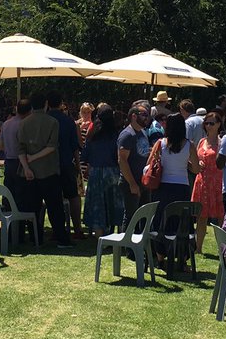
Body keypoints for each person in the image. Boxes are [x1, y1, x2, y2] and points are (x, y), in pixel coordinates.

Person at [19, 91, 71, 247]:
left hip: (29, 172)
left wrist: (27, 167)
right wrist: (35, 157)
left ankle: (36, 238)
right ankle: (61, 239)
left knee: (33, 208)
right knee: (55, 208)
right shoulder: (52, 122)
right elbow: (52, 147)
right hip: (49, 171)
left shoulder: (24, 123)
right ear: (46, 104)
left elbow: (20, 150)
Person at [150, 113, 201, 240]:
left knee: (161, 220)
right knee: (181, 221)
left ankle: (160, 253)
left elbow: (149, 163)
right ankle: (182, 252)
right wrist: (185, 164)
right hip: (181, 187)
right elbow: (196, 169)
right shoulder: (190, 145)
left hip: (163, 186)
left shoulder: (160, 143)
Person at [47, 89, 84, 239]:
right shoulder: (69, 121)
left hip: (49, 164)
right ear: (61, 103)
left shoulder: (46, 119)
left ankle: (57, 229)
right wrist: (77, 165)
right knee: (73, 196)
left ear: (48, 104)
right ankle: (77, 228)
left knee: (53, 198)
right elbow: (75, 145)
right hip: (67, 162)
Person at [82, 105, 122, 238]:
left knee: (98, 204)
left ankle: (99, 237)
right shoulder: (117, 135)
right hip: (113, 173)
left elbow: (85, 156)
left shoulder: (92, 135)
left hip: (96, 172)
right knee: (114, 204)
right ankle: (116, 234)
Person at [191, 110, 224, 253]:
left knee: (220, 218)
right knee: (201, 217)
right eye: (206, 123)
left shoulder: (222, 142)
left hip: (216, 182)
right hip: (201, 182)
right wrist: (197, 162)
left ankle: (223, 247)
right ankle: (198, 248)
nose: (208, 126)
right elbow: (195, 159)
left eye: (212, 123)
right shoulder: (201, 141)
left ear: (218, 124)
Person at [117, 103, 153, 228]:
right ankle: (126, 246)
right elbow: (122, 160)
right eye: (143, 115)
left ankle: (140, 245)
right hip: (130, 182)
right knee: (131, 217)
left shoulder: (142, 132)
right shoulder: (127, 135)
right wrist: (132, 183)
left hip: (143, 181)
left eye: (147, 115)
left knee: (144, 216)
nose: (146, 118)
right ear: (133, 116)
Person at [1, 99, 30, 201]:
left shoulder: (6, 124)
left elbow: (1, 145)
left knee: (9, 193)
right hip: (21, 163)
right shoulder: (25, 125)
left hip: (8, 161)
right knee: (22, 194)